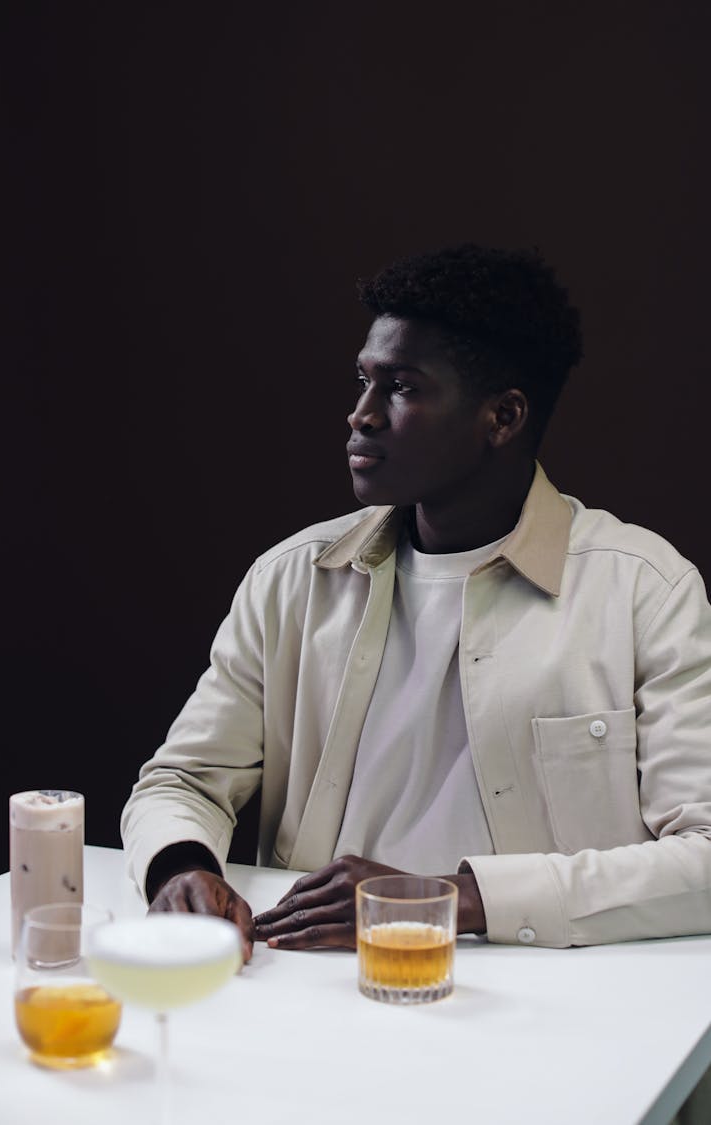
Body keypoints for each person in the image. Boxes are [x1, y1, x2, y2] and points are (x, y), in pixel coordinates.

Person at [121, 243, 711, 975]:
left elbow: (705, 858)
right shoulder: (292, 579)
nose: (360, 414)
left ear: (502, 416)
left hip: (552, 999)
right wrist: (178, 867)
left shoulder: (644, 588)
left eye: (399, 387)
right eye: (364, 380)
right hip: (313, 985)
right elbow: (183, 779)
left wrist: (444, 899)